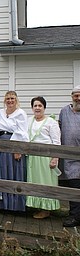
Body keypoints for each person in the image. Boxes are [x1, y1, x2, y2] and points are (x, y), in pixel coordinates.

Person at [26, 96, 60, 219]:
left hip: (45, 157)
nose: (37, 108)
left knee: (45, 181)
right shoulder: (29, 120)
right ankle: (37, 206)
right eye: (35, 106)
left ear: (44, 107)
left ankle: (46, 209)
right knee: (34, 181)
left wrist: (55, 158)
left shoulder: (51, 122)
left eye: (40, 105)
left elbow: (56, 141)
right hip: (33, 157)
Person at [0, 91, 29, 211]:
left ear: (16, 100)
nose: (10, 101)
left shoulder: (21, 113)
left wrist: (18, 149)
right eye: (8, 98)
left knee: (14, 173)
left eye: (12, 98)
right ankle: (2, 204)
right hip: (1, 144)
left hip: (14, 144)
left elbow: (23, 132)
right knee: (3, 173)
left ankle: (15, 205)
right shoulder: (1, 112)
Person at [59, 85, 80, 227]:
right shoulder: (64, 111)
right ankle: (75, 216)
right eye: (76, 95)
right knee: (74, 185)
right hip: (69, 156)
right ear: (71, 96)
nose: (78, 98)